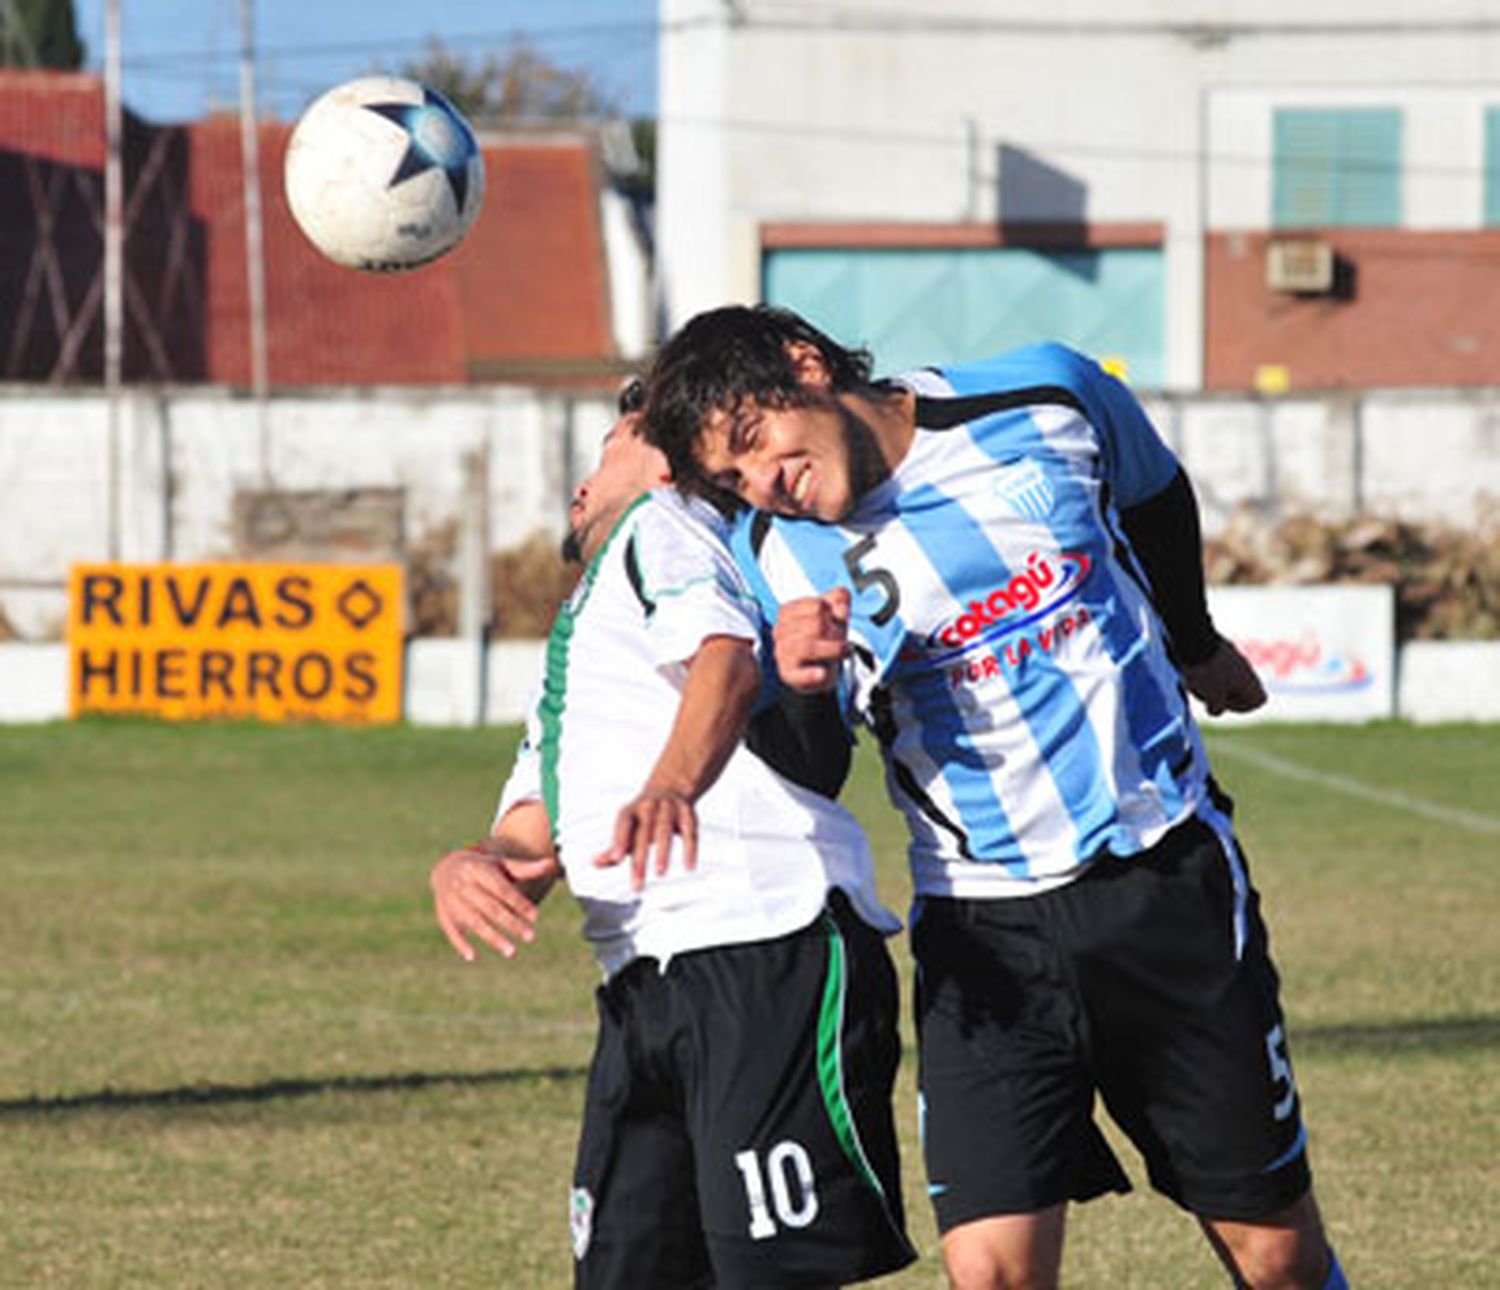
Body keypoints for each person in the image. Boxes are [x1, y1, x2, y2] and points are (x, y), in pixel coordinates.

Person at [638, 305, 1348, 1290]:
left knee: (1276, 1257)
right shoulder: (776, 558)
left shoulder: (1047, 395)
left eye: (755, 444)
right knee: (995, 1276)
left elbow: (1151, 491)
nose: (763, 484)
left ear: (805, 367)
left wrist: (1193, 641)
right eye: (733, 479)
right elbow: (811, 766)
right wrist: (796, 687)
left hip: (1165, 881)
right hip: (985, 931)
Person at [429, 379, 916, 1289]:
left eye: (613, 440)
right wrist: (470, 864)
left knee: (773, 1274)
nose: (585, 477)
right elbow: (534, 835)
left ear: (672, 459)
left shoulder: (665, 522)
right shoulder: (586, 642)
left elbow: (726, 663)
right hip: (646, 980)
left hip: (761, 944)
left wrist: (673, 784)